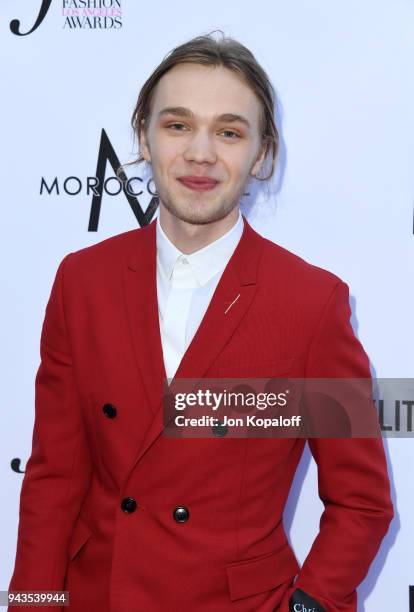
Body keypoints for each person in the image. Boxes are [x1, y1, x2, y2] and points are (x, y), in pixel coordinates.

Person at [8, 31, 393, 612]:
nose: (201, 154)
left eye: (230, 132)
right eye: (178, 125)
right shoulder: (81, 281)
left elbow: (362, 502)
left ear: (262, 154)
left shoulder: (312, 303)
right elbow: (54, 477)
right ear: (143, 134)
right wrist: (34, 604)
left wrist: (309, 605)